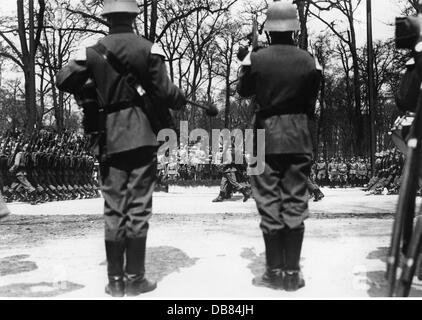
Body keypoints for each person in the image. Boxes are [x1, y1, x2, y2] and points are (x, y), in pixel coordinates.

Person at [56, 0, 186, 297]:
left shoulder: (92, 51)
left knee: (114, 208)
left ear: (107, 17)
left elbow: (63, 79)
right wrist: (179, 97)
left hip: (109, 139)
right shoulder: (148, 48)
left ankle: (115, 282)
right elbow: (166, 93)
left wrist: (89, 87)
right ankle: (136, 278)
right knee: (138, 207)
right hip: (141, 136)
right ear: (133, 16)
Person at [237, 1, 320, 291]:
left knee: (268, 201)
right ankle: (293, 273)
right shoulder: (309, 60)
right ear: (294, 30)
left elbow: (243, 91)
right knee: (296, 200)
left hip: (264, 135)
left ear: (269, 30)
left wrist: (248, 60)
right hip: (297, 134)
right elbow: (311, 103)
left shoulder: (257, 59)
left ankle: (273, 271)